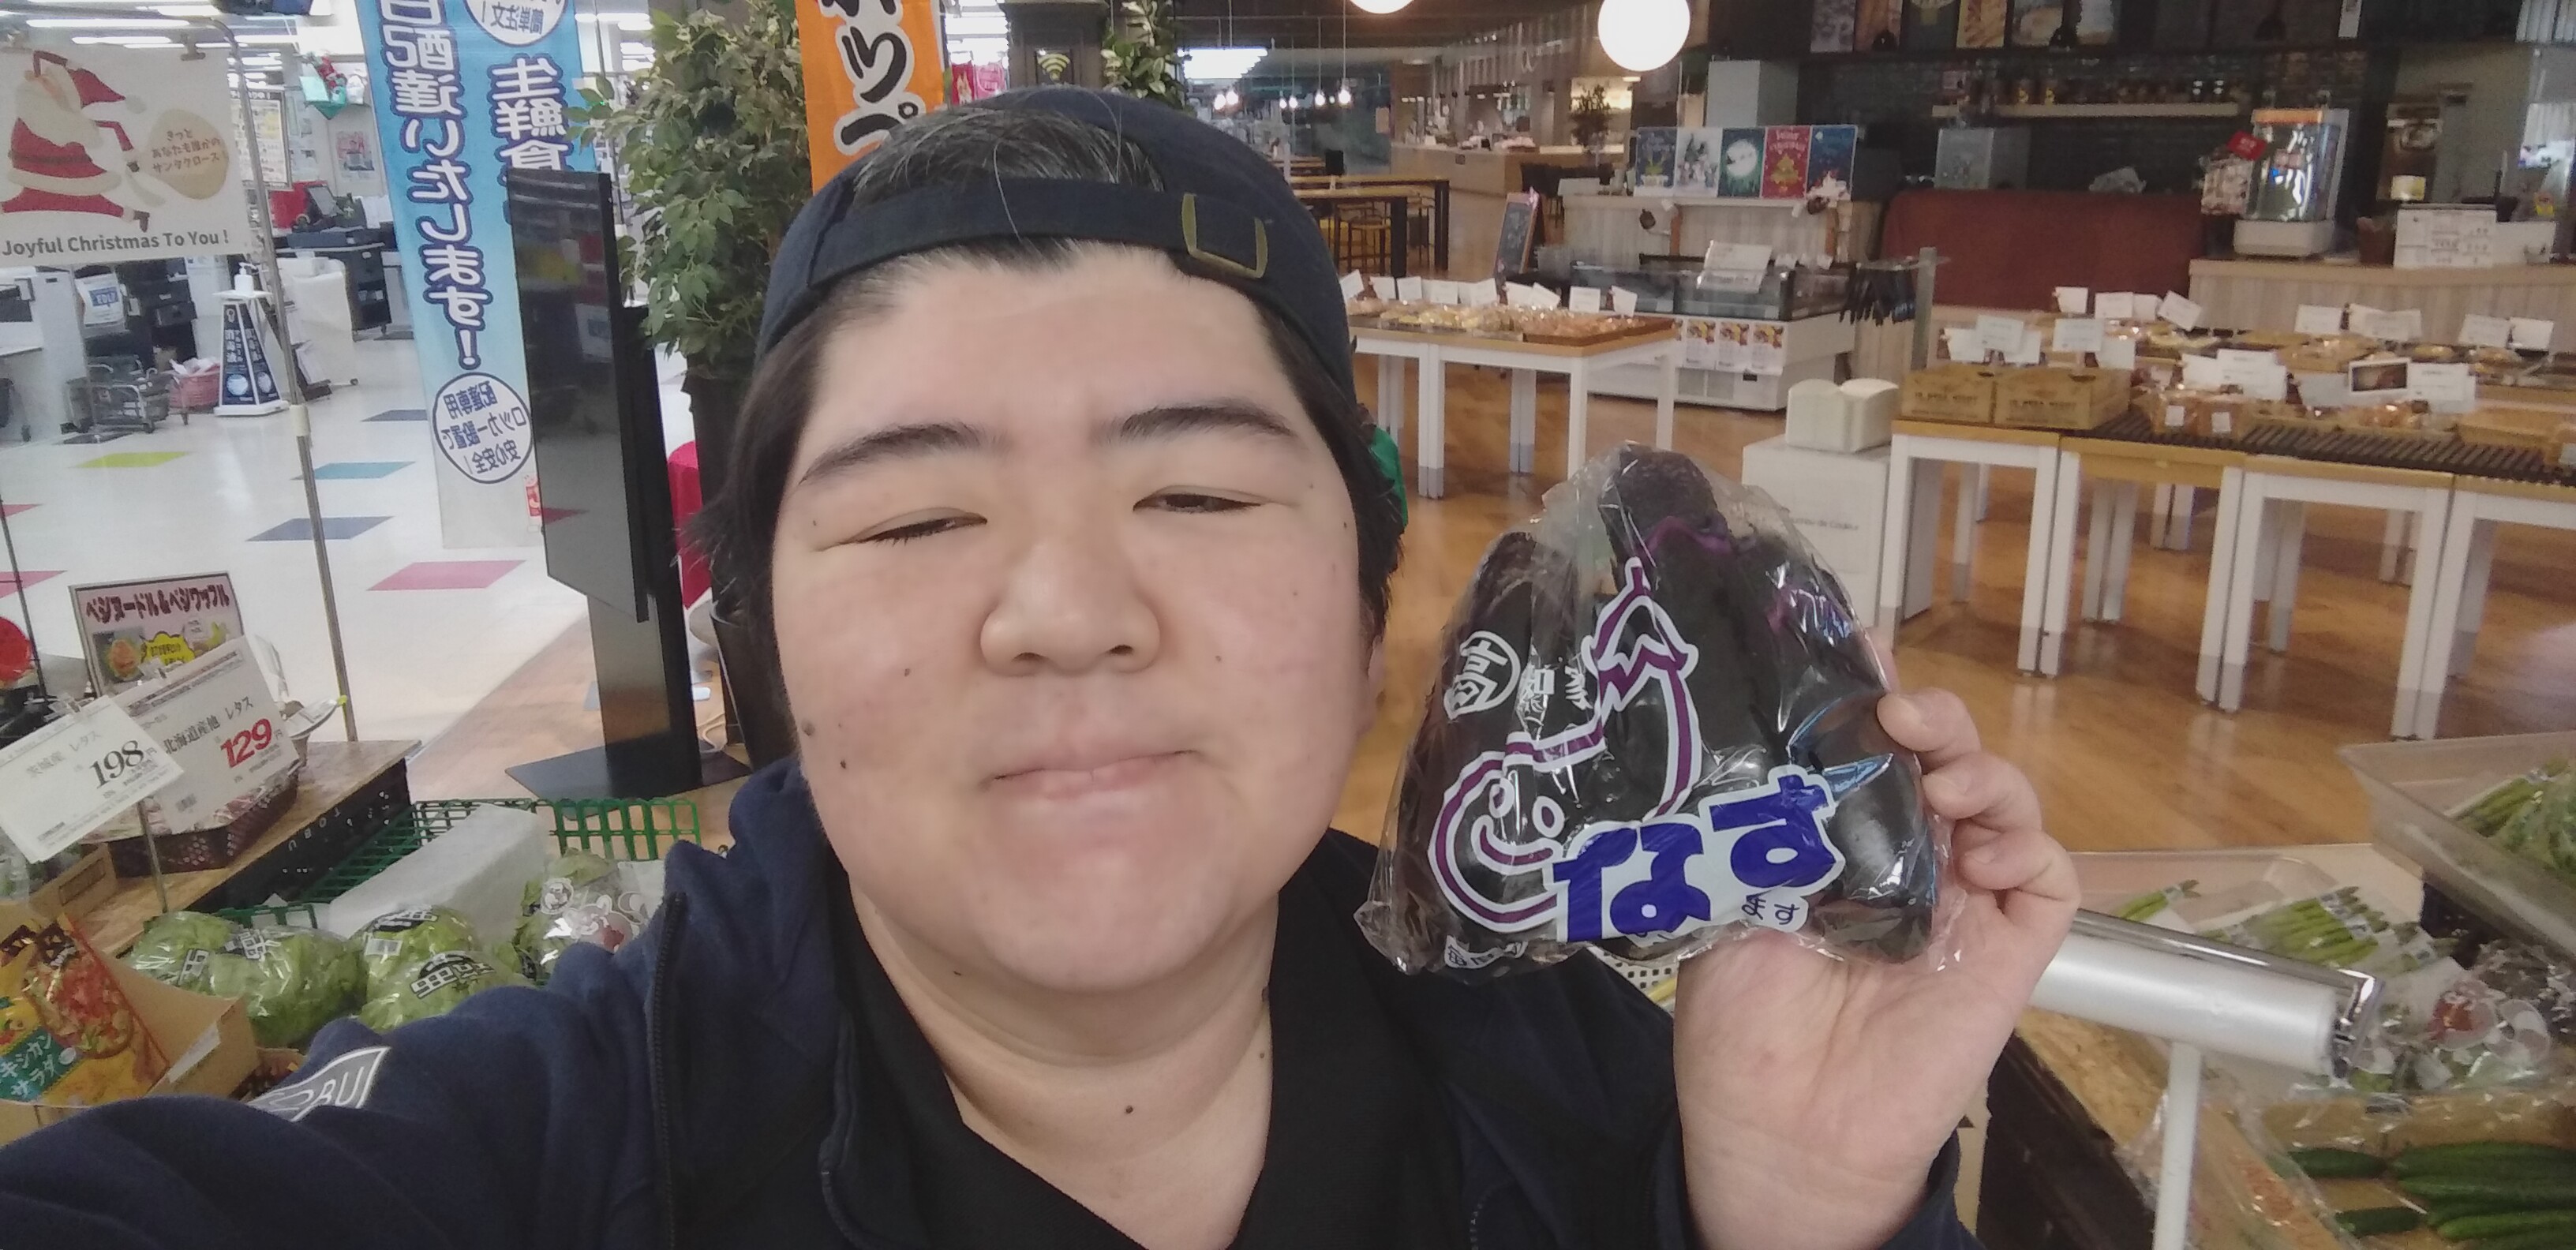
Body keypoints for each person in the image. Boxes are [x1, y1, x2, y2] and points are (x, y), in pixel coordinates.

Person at [0, 88, 2076, 1250]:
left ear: (1371, 615)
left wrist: (1800, 1215)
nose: (1067, 609)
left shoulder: (1614, 1114)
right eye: (915, 517)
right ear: (762, 646)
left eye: (1196, 492)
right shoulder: (544, 1158)